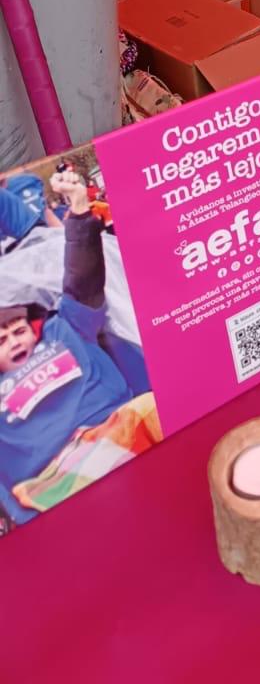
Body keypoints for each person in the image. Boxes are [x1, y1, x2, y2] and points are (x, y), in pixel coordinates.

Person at [0, 169, 154, 527]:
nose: (14, 338)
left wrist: (81, 215)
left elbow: (80, 278)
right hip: (50, 483)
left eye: (18, 330)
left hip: (120, 431)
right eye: (2, 339)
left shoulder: (61, 327)